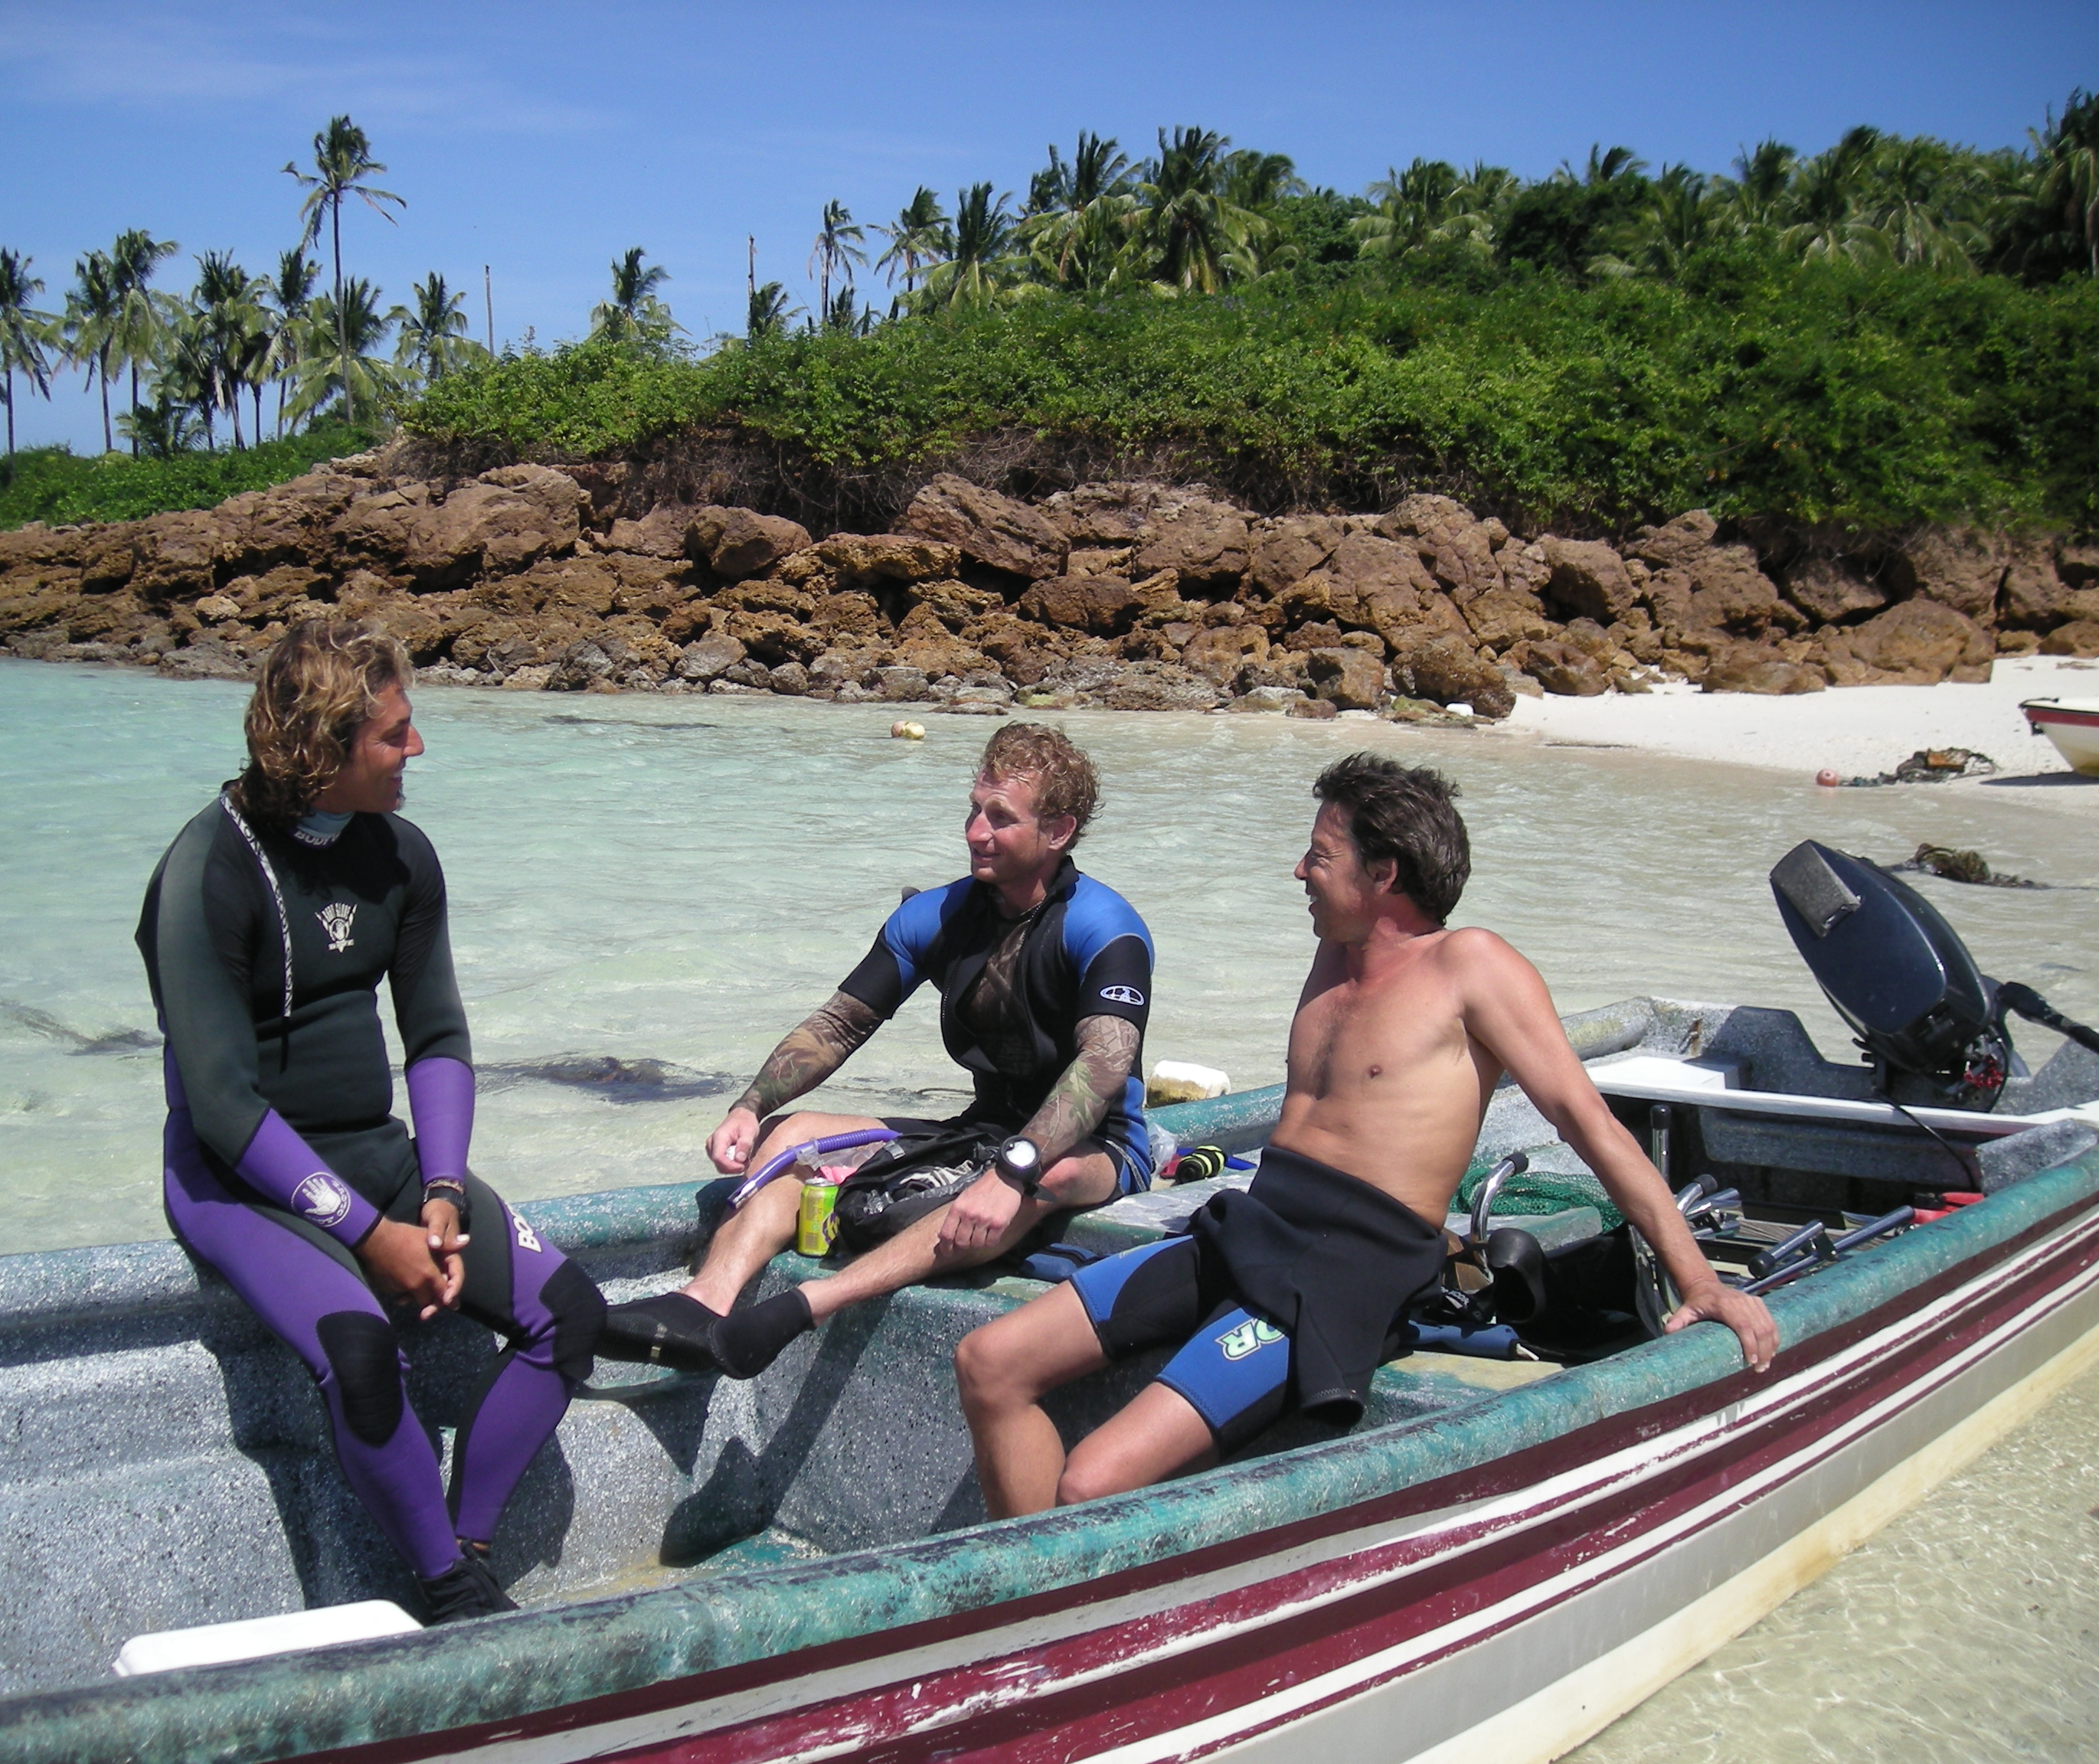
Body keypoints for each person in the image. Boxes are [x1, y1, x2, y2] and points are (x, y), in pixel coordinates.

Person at [954, 752, 1779, 1515]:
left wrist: (1698, 1281)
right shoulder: (1333, 956)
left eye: (1319, 855)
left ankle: (1061, 1643)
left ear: (1383, 873)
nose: (1299, 871)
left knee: (1093, 1479)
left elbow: (1589, 1125)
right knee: (989, 1363)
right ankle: (1009, 1621)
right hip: (1258, 1222)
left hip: (1349, 1268)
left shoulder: (1472, 966)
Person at [136, 619, 604, 1623]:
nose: (417, 751)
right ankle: (445, 1589)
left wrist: (437, 1188)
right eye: (395, 735)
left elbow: (435, 1035)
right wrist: (366, 1234)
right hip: (242, 1179)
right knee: (358, 1352)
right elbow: (220, 1107)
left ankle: (464, 1547)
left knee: (568, 1311)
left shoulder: (400, 856)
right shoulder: (207, 873)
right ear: (322, 745)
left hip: (379, 1163)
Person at [601, 724, 1156, 1381]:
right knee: (788, 1136)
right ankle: (704, 1304)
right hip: (981, 1128)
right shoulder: (937, 915)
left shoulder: (1106, 928)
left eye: (1000, 818)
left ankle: (805, 1306)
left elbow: (1101, 1068)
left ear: (1058, 832)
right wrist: (750, 1106)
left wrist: (1012, 1172)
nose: (976, 831)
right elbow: (839, 1026)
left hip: (1097, 1146)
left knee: (1048, 1177)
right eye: (974, 809)